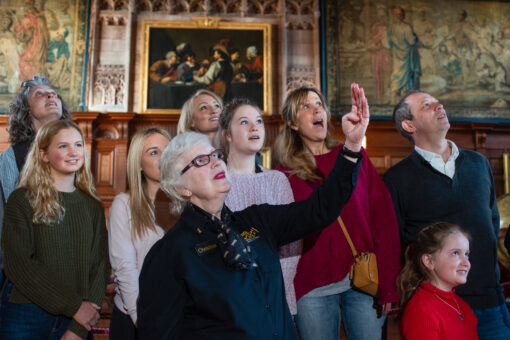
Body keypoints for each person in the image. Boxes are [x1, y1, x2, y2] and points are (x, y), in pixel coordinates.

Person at [136, 83, 369, 339]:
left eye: (215, 155)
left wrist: (351, 147)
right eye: (201, 161)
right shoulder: (169, 254)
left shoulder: (256, 220)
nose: (216, 161)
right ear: (181, 188)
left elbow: (320, 210)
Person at [274, 86, 401, 340]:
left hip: (363, 279)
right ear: (292, 124)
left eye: (319, 104)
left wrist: (389, 283)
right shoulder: (283, 173)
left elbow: (384, 221)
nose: (316, 109)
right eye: (305, 107)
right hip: (312, 284)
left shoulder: (354, 156)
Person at [383, 90, 509, 340]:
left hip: (490, 300)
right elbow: (392, 242)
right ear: (409, 125)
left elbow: (491, 223)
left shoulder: (479, 163)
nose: (439, 105)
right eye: (426, 105)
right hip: (436, 307)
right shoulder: (395, 180)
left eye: (437, 101)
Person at [0, 120, 109, 340]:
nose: (73, 152)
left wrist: (79, 327)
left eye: (78, 145)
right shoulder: (22, 200)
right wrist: (74, 306)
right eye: (63, 146)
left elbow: (99, 267)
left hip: (76, 318)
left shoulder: (92, 206)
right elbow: (18, 264)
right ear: (43, 155)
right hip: (27, 314)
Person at [219, 98, 298, 315]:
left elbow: (292, 245)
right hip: (231, 301)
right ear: (227, 134)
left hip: (275, 297)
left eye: (259, 121)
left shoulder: (277, 180)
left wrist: (270, 289)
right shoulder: (215, 183)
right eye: (244, 122)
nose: (255, 127)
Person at [0, 73, 71, 287]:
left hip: (66, 266)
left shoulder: (75, 153)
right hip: (23, 271)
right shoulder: (10, 158)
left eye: (53, 94)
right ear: (26, 110)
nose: (51, 97)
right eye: (40, 94)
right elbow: (6, 218)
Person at [108, 127, 171, 340]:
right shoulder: (124, 204)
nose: (163, 157)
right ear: (139, 164)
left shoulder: (189, 204)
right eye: (154, 152)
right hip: (134, 320)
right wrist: (140, 320)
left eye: (168, 150)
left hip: (176, 317)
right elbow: (125, 267)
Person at [398, 222, 478, 340]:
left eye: (466, 254)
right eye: (455, 253)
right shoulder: (421, 311)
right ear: (429, 261)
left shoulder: (461, 304)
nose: (466, 263)